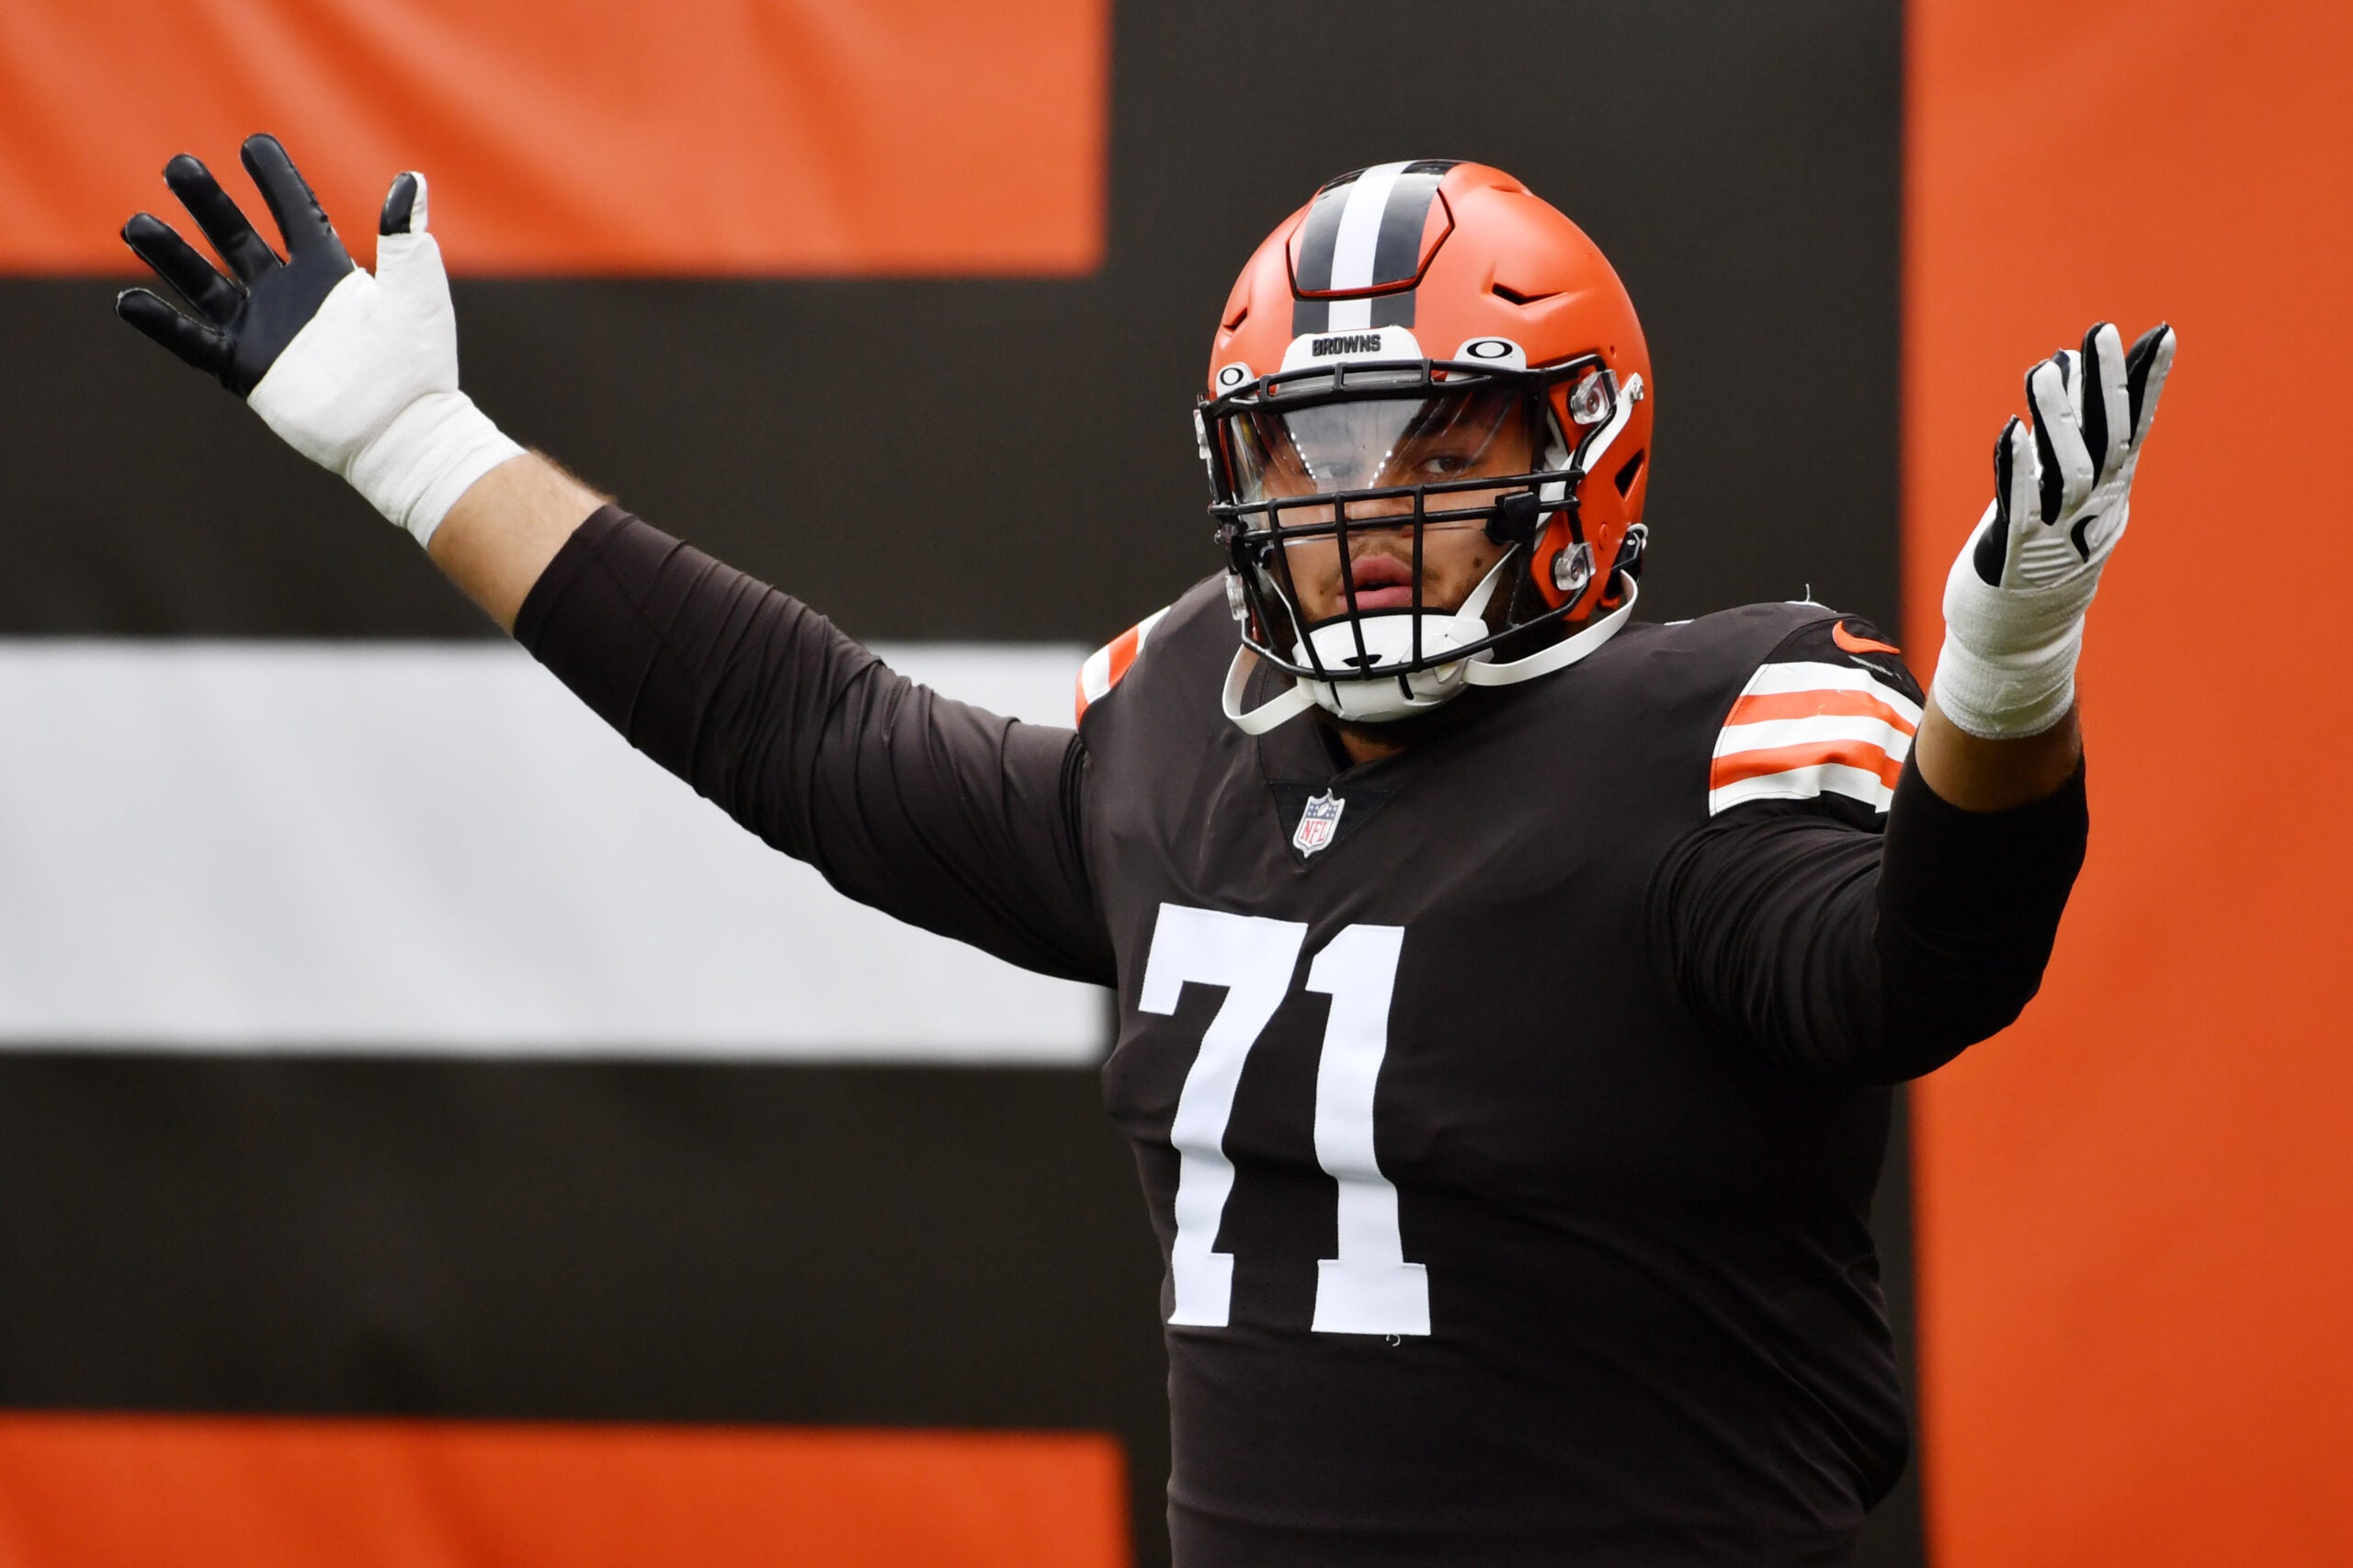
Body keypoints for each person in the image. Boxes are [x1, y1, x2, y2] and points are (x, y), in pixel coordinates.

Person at [115, 138, 2173, 1566]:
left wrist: (2001, 678)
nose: (1350, 507)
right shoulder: (1187, 720)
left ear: (1576, 456)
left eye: (1430, 447)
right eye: (1299, 447)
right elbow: (811, 734)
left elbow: (1913, 970)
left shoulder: (1711, 720)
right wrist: (416, 445)